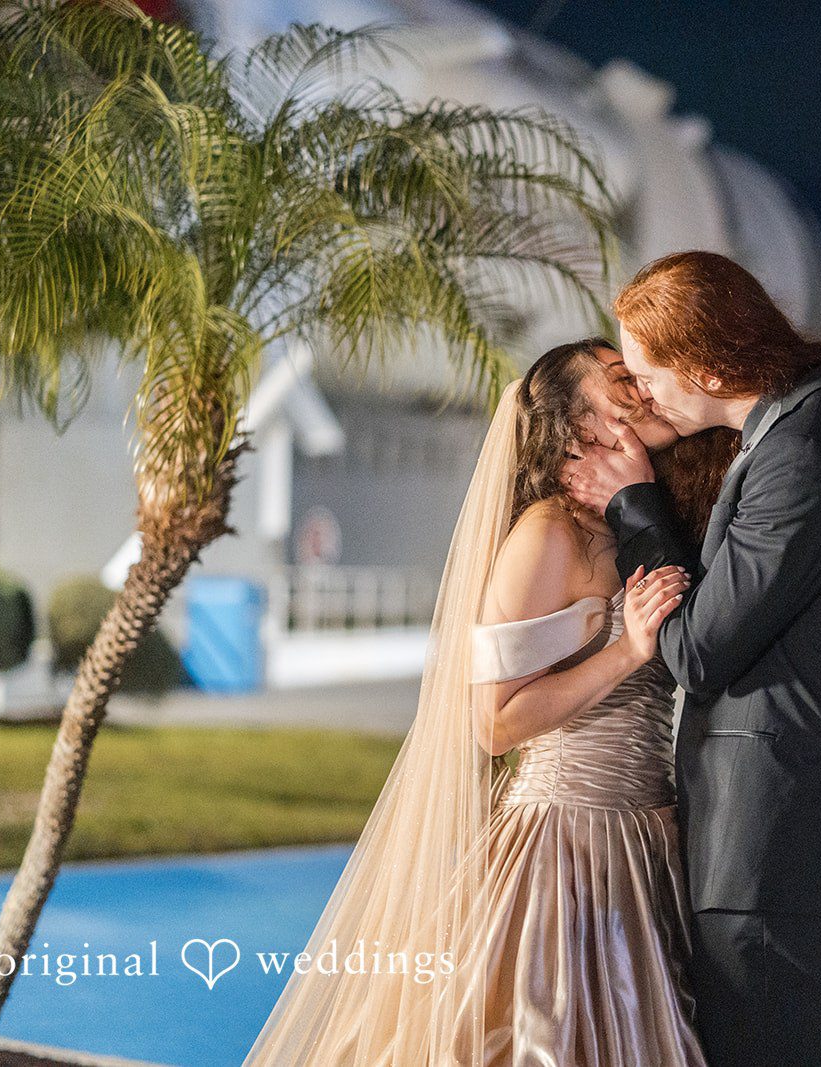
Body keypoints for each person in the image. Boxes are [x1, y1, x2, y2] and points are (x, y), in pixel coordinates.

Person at [243, 338, 735, 1066]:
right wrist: (626, 652)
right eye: (619, 379)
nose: (641, 385)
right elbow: (495, 722)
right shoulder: (547, 536)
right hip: (562, 848)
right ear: (576, 430)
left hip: (644, 842)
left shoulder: (635, 525)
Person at [562, 250, 821, 1067]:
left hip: (777, 846)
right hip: (811, 834)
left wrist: (634, 507)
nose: (644, 395)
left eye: (649, 373)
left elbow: (696, 649)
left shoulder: (804, 451)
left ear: (704, 361)